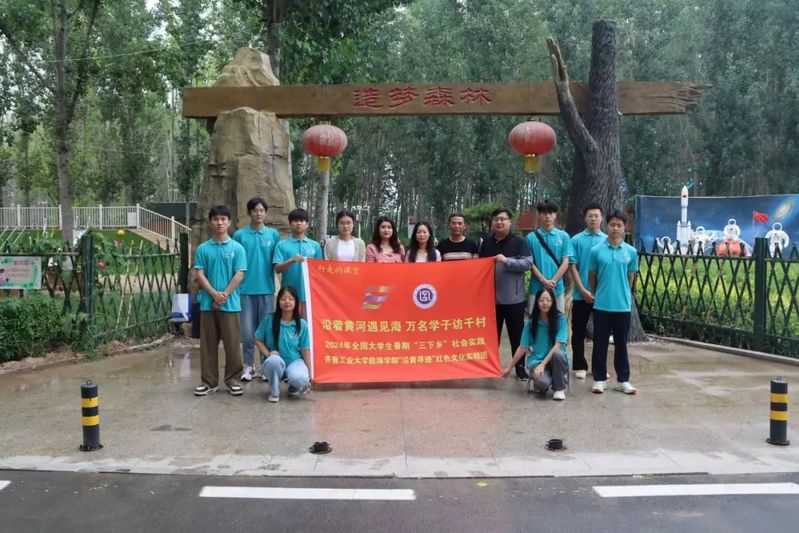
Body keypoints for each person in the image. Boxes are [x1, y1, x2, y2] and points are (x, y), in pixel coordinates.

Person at [193, 205, 247, 397]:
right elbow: (199, 273)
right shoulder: (203, 249)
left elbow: (239, 274)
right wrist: (213, 294)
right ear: (210, 222)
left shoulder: (237, 248)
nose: (219, 223)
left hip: (230, 305)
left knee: (232, 345)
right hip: (208, 305)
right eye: (216, 219)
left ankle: (233, 380)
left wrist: (224, 294)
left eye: (223, 219)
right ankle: (209, 382)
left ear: (229, 222)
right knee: (208, 345)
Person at [478, 208, 534, 380]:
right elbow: (479, 266)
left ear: (510, 222)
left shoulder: (519, 241)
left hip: (514, 299)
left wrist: (507, 261)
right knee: (491, 337)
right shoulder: (486, 243)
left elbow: (528, 264)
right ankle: (489, 367)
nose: (499, 222)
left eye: (503, 219)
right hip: (490, 300)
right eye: (496, 219)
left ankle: (520, 368)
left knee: (516, 336)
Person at [588, 210, 639, 395]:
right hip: (602, 305)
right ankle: (599, 379)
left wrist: (622, 293)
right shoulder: (596, 251)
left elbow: (630, 278)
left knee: (621, 344)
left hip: (622, 306)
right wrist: (598, 293)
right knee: (600, 343)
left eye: (619, 225)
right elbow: (592, 277)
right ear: (607, 226)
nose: (615, 228)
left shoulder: (631, 252)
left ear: (625, 228)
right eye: (612, 225)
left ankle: (623, 380)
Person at [232, 197, 281, 382]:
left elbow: (278, 261)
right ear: (249, 212)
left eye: (261, 210)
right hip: (245, 291)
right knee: (247, 331)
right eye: (255, 210)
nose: (258, 213)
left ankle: (265, 366)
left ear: (266, 213)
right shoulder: (240, 235)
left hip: (267, 290)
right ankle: (248, 366)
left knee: (266, 331)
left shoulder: (273, 235)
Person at [503, 288, 569, 400]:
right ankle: (557, 376)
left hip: (556, 359)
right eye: (541, 300)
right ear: (537, 302)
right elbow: (522, 347)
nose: (545, 303)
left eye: (548, 300)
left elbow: (558, 345)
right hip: (536, 361)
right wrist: (509, 367)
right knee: (542, 384)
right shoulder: (531, 323)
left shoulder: (560, 319)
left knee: (558, 354)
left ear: (553, 302)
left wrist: (543, 364)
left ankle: (559, 388)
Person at [569, 202, 607, 380]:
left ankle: (598, 368)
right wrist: (582, 290)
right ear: (585, 218)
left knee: (601, 333)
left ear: (601, 218)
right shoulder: (576, 240)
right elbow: (573, 266)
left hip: (602, 295)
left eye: (596, 216)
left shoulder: (607, 240)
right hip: (580, 294)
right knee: (578, 332)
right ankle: (580, 365)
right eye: (590, 216)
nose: (593, 219)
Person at [254, 286, 311, 403]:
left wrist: (309, 373)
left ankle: (294, 387)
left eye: (290, 299)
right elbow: (257, 339)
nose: (287, 302)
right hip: (275, 360)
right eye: (283, 299)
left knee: (300, 378)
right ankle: (274, 391)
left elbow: (305, 350)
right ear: (278, 301)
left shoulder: (302, 324)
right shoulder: (269, 319)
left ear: (296, 302)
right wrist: (268, 354)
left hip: (294, 361)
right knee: (273, 362)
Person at [273, 208, 323, 318]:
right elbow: (277, 269)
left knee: (307, 325)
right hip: (288, 296)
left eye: (302, 220)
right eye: (295, 221)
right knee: (289, 324)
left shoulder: (315, 246)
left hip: (309, 294)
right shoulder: (282, 245)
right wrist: (291, 260)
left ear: (307, 224)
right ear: (290, 223)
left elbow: (320, 271)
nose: (299, 223)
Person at [526, 199, 573, 313]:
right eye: (544, 213)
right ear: (539, 214)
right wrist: (544, 281)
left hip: (557, 288)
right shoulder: (531, 237)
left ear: (555, 215)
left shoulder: (563, 236)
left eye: (551, 213)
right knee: (534, 320)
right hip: (536, 287)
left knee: (558, 319)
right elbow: (530, 263)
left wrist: (553, 281)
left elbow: (566, 261)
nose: (548, 216)